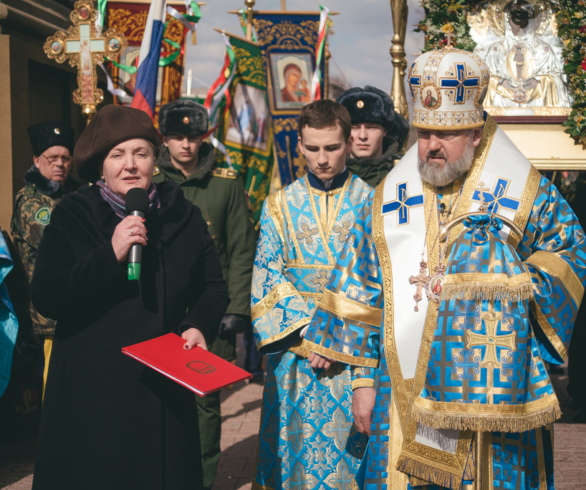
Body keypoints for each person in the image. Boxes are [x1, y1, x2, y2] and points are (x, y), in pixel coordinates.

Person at [305, 45, 586, 489]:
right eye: (424, 132)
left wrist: (512, 283)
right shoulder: (389, 199)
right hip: (405, 394)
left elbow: (569, 252)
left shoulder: (526, 191)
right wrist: (361, 382)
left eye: (445, 135)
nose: (431, 146)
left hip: (495, 389)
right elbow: (361, 288)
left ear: (476, 133)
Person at [30, 105, 230, 489]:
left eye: (141, 153)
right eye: (117, 155)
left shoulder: (183, 216)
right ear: (100, 167)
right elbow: (47, 295)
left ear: (156, 160)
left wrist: (197, 325)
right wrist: (110, 255)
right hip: (91, 393)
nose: (130, 165)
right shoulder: (73, 214)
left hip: (161, 393)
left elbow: (213, 287)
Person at [251, 99, 372, 489]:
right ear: (299, 146)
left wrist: (334, 335)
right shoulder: (278, 206)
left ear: (349, 142)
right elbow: (267, 276)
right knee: (294, 459)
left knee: (353, 457)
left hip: (354, 353)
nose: (322, 159)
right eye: (313, 148)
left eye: (332, 148)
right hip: (296, 356)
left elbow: (378, 284)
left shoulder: (373, 203)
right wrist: (313, 333)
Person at [153, 99, 256, 490]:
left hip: (209, 310)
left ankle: (202, 479)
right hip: (163, 308)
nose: (185, 145)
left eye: (192, 137)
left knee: (205, 401)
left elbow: (241, 250)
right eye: (177, 137)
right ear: (165, 139)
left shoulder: (225, 185)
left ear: (204, 137)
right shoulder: (154, 182)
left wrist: (235, 309)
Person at [10, 120, 81, 399]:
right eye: (53, 158)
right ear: (37, 160)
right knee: (55, 386)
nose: (60, 164)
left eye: (65, 158)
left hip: (79, 301)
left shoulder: (76, 194)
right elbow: (63, 242)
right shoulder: (30, 201)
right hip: (50, 312)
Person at [337, 85, 410, 187]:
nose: (362, 136)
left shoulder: (402, 176)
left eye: (371, 128)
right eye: (354, 128)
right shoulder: (330, 176)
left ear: (384, 130)